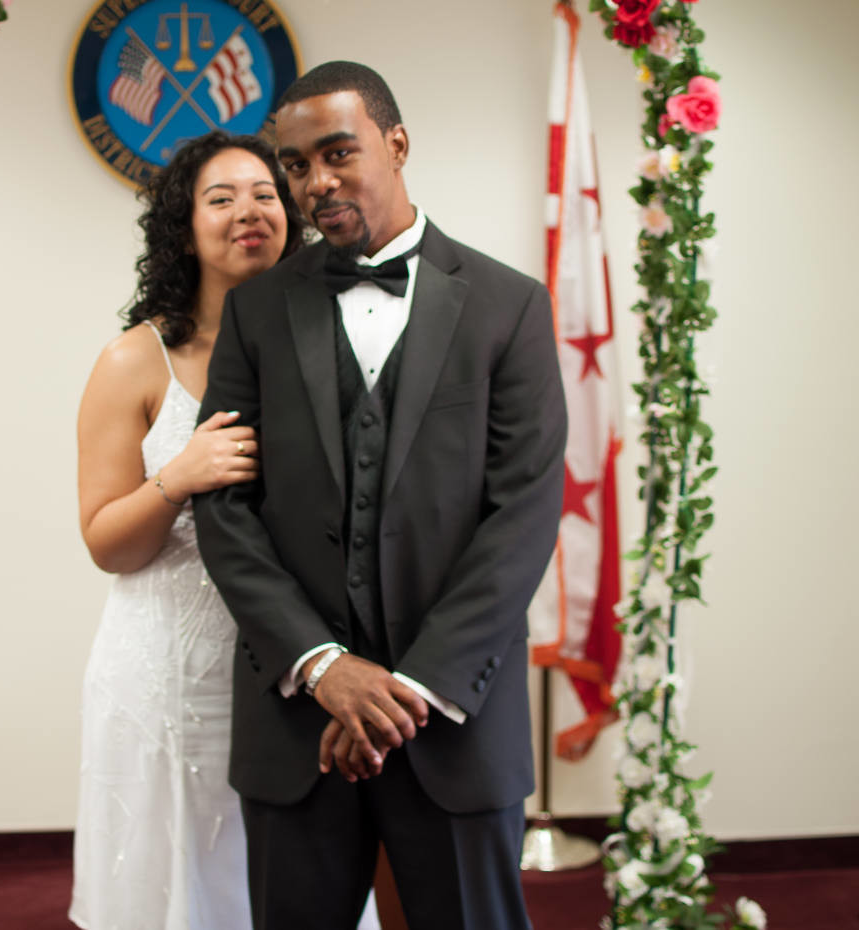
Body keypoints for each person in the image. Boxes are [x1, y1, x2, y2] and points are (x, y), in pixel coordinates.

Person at [192, 62, 568, 930]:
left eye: (337, 153)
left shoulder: (509, 307)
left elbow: (523, 515)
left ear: (396, 144)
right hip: (298, 730)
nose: (315, 183)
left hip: (456, 726)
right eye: (295, 165)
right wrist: (324, 669)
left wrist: (407, 692)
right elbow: (224, 507)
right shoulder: (257, 313)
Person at [70, 131, 303, 930]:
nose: (250, 211)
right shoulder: (135, 362)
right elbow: (107, 541)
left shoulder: (323, 347)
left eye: (267, 194)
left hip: (293, 675)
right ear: (183, 227)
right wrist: (180, 475)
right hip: (169, 680)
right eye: (222, 197)